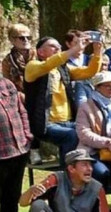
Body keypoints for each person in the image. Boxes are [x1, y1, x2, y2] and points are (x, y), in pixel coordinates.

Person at [25, 35, 102, 166]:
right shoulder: (33, 66)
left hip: (68, 122)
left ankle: (94, 170)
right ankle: (67, 174)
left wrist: (97, 51)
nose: (58, 49)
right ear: (41, 52)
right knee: (72, 135)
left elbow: (89, 72)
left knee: (94, 130)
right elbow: (48, 64)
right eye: (53, 46)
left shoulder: (63, 69)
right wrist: (74, 49)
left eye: (59, 47)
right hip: (45, 124)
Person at [0, 69, 34, 212]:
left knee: (11, 199)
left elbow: (21, 111)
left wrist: (27, 135)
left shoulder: (7, 84)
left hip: (18, 150)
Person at [75, 72, 111, 186]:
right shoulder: (86, 107)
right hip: (93, 151)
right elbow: (84, 133)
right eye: (107, 85)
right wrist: (107, 142)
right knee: (101, 173)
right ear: (97, 87)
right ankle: (98, 200)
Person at [1, 23, 35, 98]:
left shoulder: (38, 55)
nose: (26, 40)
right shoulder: (8, 61)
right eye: (21, 38)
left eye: (28, 37)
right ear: (12, 40)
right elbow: (8, 84)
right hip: (19, 98)